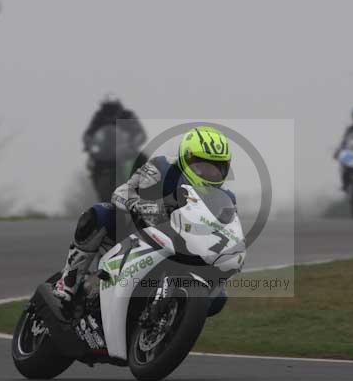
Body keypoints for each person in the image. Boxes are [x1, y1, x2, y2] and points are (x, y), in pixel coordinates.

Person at [55, 125, 234, 315]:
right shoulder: (161, 168)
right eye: (202, 166)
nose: (209, 174)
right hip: (134, 236)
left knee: (218, 296)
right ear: (185, 158)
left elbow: (227, 232)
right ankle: (68, 281)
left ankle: (170, 323)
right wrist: (137, 204)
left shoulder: (226, 199)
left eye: (217, 168)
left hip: (183, 252)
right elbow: (121, 192)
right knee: (100, 213)